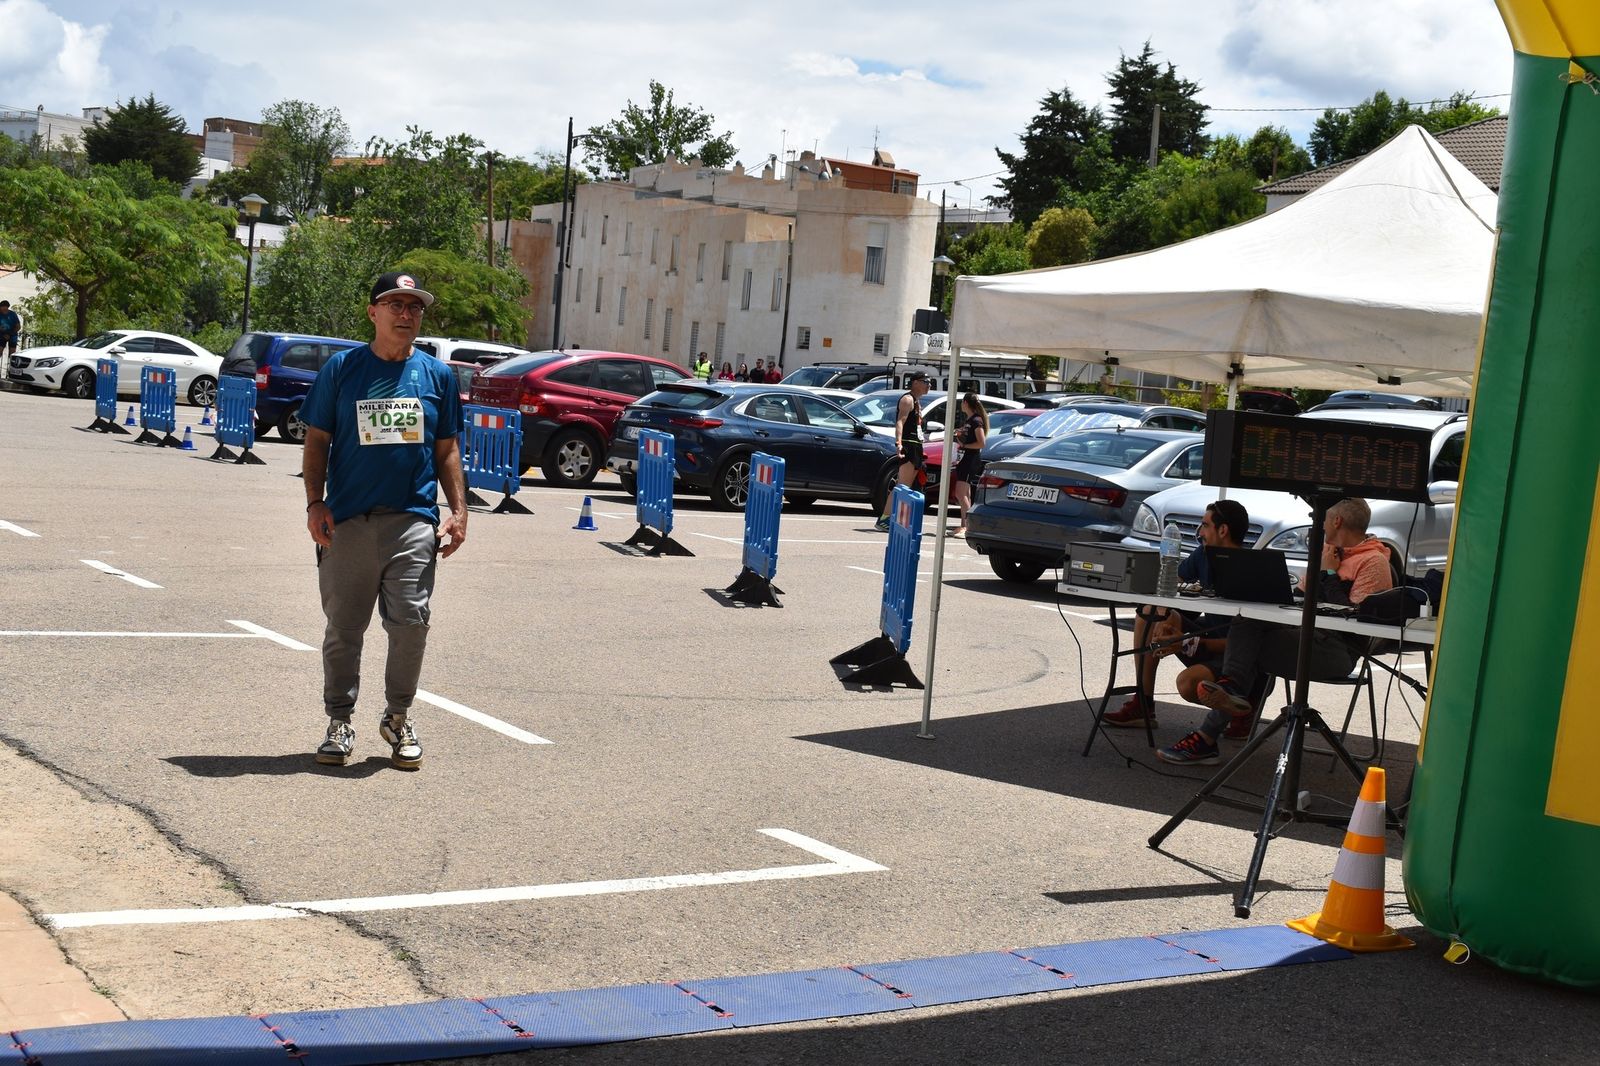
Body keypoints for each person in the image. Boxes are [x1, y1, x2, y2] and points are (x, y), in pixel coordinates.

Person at [303, 271, 467, 771]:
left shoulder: (438, 376)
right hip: (349, 520)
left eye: (414, 307)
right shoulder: (343, 370)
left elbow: (447, 450)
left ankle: (397, 718)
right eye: (395, 304)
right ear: (373, 312)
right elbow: (316, 442)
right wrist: (315, 503)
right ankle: (339, 721)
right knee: (344, 629)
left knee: (411, 624)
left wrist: (458, 512)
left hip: (414, 520)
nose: (406, 314)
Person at [1157, 497, 1394, 765]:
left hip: (1337, 651)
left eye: (1324, 518)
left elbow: (1359, 620)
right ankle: (1222, 711)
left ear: (1336, 521)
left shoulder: (1373, 561)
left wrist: (1328, 573)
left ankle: (1215, 722)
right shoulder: (1329, 552)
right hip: (1301, 637)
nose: (1320, 525)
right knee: (1247, 619)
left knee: (1250, 648)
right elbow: (1298, 597)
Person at [1103, 500, 1249, 733]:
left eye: (1204, 525)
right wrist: (1163, 619)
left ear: (1222, 530)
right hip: (1207, 640)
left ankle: (1242, 709)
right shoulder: (1203, 555)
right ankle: (1143, 703)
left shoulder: (1251, 568)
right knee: (1149, 613)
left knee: (1188, 683)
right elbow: (1169, 582)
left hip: (1240, 660)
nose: (1199, 533)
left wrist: (1188, 642)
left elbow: (1247, 644)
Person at [876, 372, 931, 531]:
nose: (929, 385)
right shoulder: (907, 399)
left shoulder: (917, 401)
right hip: (908, 445)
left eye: (930, 382)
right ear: (914, 382)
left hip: (917, 446)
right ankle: (884, 519)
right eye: (925, 381)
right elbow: (900, 421)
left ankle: (899, 519)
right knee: (902, 486)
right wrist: (898, 442)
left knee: (909, 487)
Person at [950, 392, 988, 536]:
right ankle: (964, 525)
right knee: (966, 494)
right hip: (964, 458)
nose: (961, 405)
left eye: (962, 402)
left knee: (960, 493)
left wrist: (965, 446)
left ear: (965, 403)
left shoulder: (976, 421)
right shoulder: (970, 420)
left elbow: (981, 443)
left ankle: (967, 526)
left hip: (971, 459)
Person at [0, 301, 20, 374]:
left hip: (12, 335)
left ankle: (11, 370)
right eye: (2, 308)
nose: (3, 310)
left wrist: (10, 334)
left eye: (5, 308)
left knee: (12, 353)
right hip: (1, 335)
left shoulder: (12, 314)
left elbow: (18, 326)